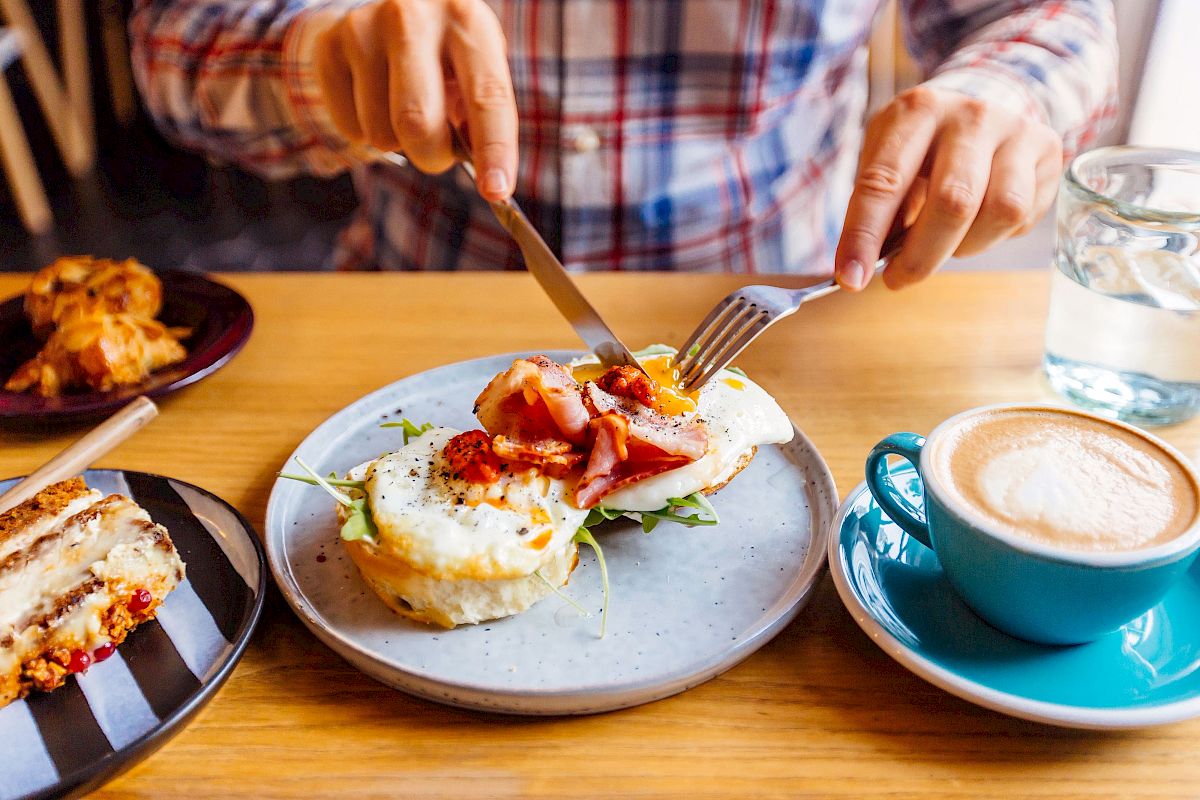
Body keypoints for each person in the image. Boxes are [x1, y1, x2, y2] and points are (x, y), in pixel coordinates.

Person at [129, 0, 1116, 287]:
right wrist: (316, 54)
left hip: (779, 331)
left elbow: (1049, 17)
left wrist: (1005, 93)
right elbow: (173, 41)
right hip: (411, 313)